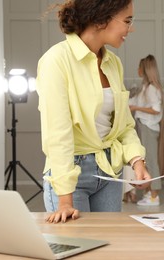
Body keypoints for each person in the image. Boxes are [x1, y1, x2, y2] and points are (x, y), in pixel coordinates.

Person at [36, 0, 151, 223]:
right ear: (102, 18)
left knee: (108, 250)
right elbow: (57, 134)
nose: (131, 28)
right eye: (127, 21)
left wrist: (137, 162)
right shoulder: (56, 60)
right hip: (71, 175)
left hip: (109, 172)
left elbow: (124, 124)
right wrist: (65, 201)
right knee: (77, 249)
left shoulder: (113, 63)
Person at [129, 54, 164, 206]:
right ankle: (150, 193)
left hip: (149, 127)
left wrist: (136, 108)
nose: (137, 69)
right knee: (147, 161)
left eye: (139, 67)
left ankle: (154, 196)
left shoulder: (151, 89)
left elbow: (156, 109)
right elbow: (132, 101)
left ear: (144, 70)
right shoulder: (145, 88)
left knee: (150, 161)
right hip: (145, 126)